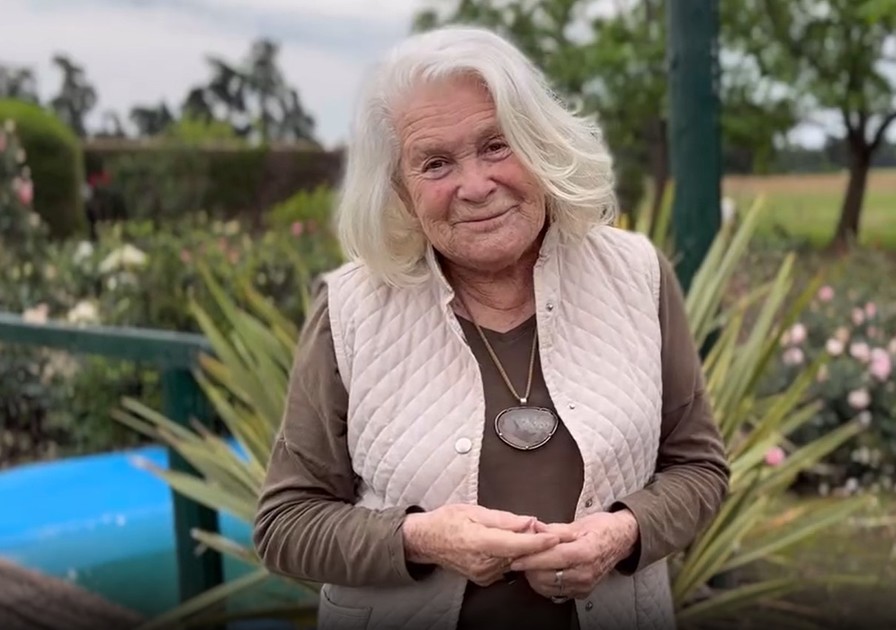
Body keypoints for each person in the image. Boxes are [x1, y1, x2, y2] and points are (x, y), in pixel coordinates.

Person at [252, 24, 730, 630]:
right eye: (435, 163)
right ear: (400, 190)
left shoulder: (636, 275)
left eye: (497, 145)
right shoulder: (352, 309)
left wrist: (625, 533)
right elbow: (285, 523)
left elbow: (700, 468)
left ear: (541, 144)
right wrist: (421, 539)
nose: (475, 187)